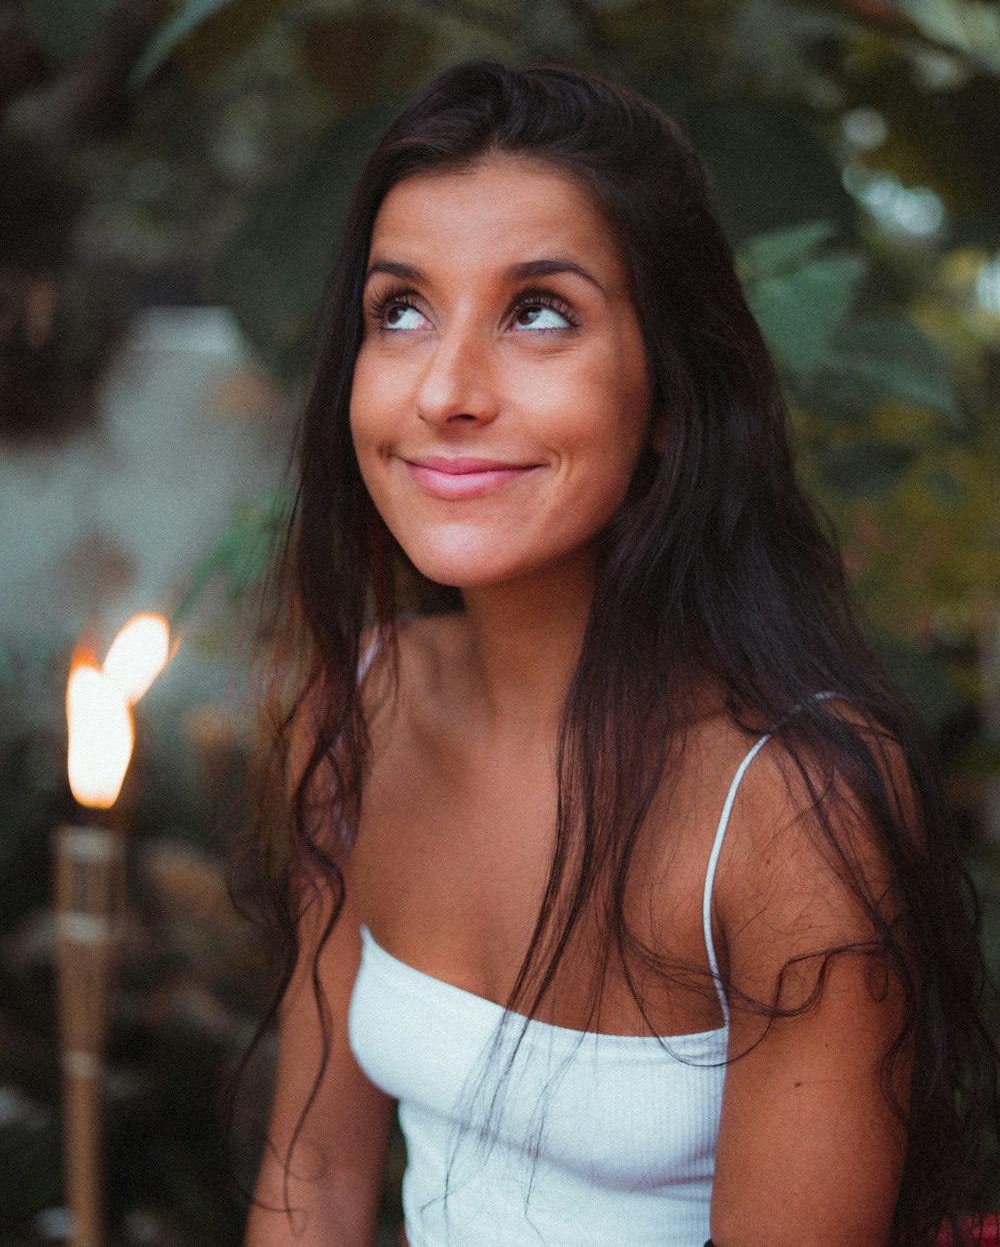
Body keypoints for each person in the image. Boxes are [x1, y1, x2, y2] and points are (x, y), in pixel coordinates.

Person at [243, 61, 997, 1247]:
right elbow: (310, 1186)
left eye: (539, 310)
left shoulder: (791, 804)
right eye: (401, 310)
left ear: (671, 394)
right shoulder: (367, 706)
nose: (445, 389)